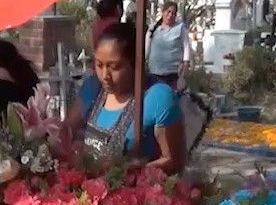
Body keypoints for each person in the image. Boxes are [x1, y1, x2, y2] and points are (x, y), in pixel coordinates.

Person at [60, 22, 185, 172]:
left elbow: (174, 162)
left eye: (114, 67)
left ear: (135, 63)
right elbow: (67, 129)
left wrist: (132, 171)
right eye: (99, 65)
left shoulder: (158, 97)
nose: (105, 76)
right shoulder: (93, 87)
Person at [146, 2, 193, 90]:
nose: (170, 15)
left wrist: (185, 65)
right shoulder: (153, 28)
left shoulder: (180, 28)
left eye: (173, 13)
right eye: (169, 12)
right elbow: (147, 48)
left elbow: (186, 47)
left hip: (173, 74)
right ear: (163, 12)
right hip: (155, 73)